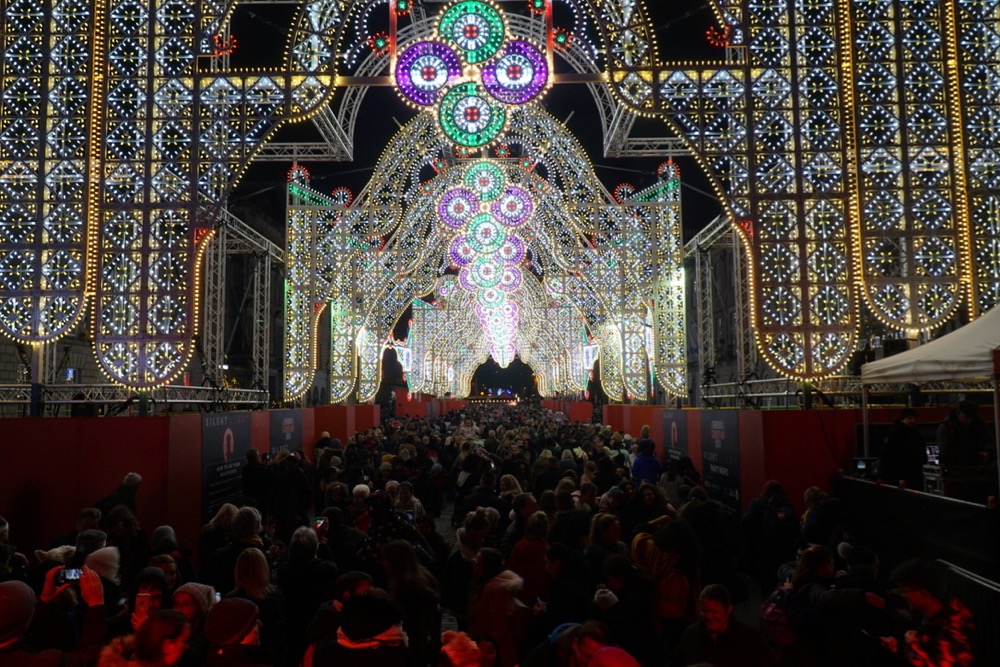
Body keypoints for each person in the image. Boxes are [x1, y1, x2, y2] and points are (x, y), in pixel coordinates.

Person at [0, 566, 106, 665]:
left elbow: (12, 624)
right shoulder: (41, 662)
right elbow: (88, 658)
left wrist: (44, 600)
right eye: (33, 605)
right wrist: (96, 605)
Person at [880, 559, 975, 667]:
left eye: (904, 591)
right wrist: (897, 646)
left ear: (922, 593)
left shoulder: (951, 630)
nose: (902, 595)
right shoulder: (944, 606)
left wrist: (913, 644)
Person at [671, 584, 770, 667]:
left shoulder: (749, 638)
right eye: (704, 610)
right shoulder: (691, 635)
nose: (709, 616)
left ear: (729, 610)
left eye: (714, 612)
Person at [203, 598, 274, 666]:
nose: (260, 624)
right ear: (238, 634)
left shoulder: (213, 659)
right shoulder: (257, 661)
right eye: (254, 624)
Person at [878, 409, 926, 490]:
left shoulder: (895, 432)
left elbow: (885, 454)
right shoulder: (915, 434)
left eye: (914, 418)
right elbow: (887, 454)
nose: (912, 420)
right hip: (903, 473)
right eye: (910, 418)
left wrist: (881, 474)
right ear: (904, 419)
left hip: (902, 474)